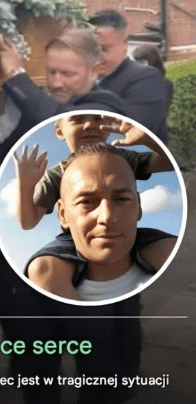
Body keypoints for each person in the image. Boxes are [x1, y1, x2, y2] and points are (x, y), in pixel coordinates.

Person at [15, 116, 174, 300]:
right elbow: (28, 222)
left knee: (167, 249)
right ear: (59, 130)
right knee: (45, 268)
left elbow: (170, 162)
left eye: (98, 119)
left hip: (126, 229)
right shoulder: (55, 175)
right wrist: (25, 185)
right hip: (74, 238)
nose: (90, 125)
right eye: (77, 120)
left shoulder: (123, 157)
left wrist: (149, 139)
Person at [0, 27, 131, 119]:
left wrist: (15, 73)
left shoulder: (105, 111)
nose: (56, 84)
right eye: (51, 72)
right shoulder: (44, 108)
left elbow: (61, 119)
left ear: (94, 70)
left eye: (67, 74)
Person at [88, 10, 168, 141]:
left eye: (104, 49)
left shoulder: (147, 79)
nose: (96, 57)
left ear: (124, 43)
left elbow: (129, 135)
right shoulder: (85, 82)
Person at [132, 43, 174, 136]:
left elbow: (158, 113)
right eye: (137, 62)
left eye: (142, 62)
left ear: (153, 62)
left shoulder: (164, 83)